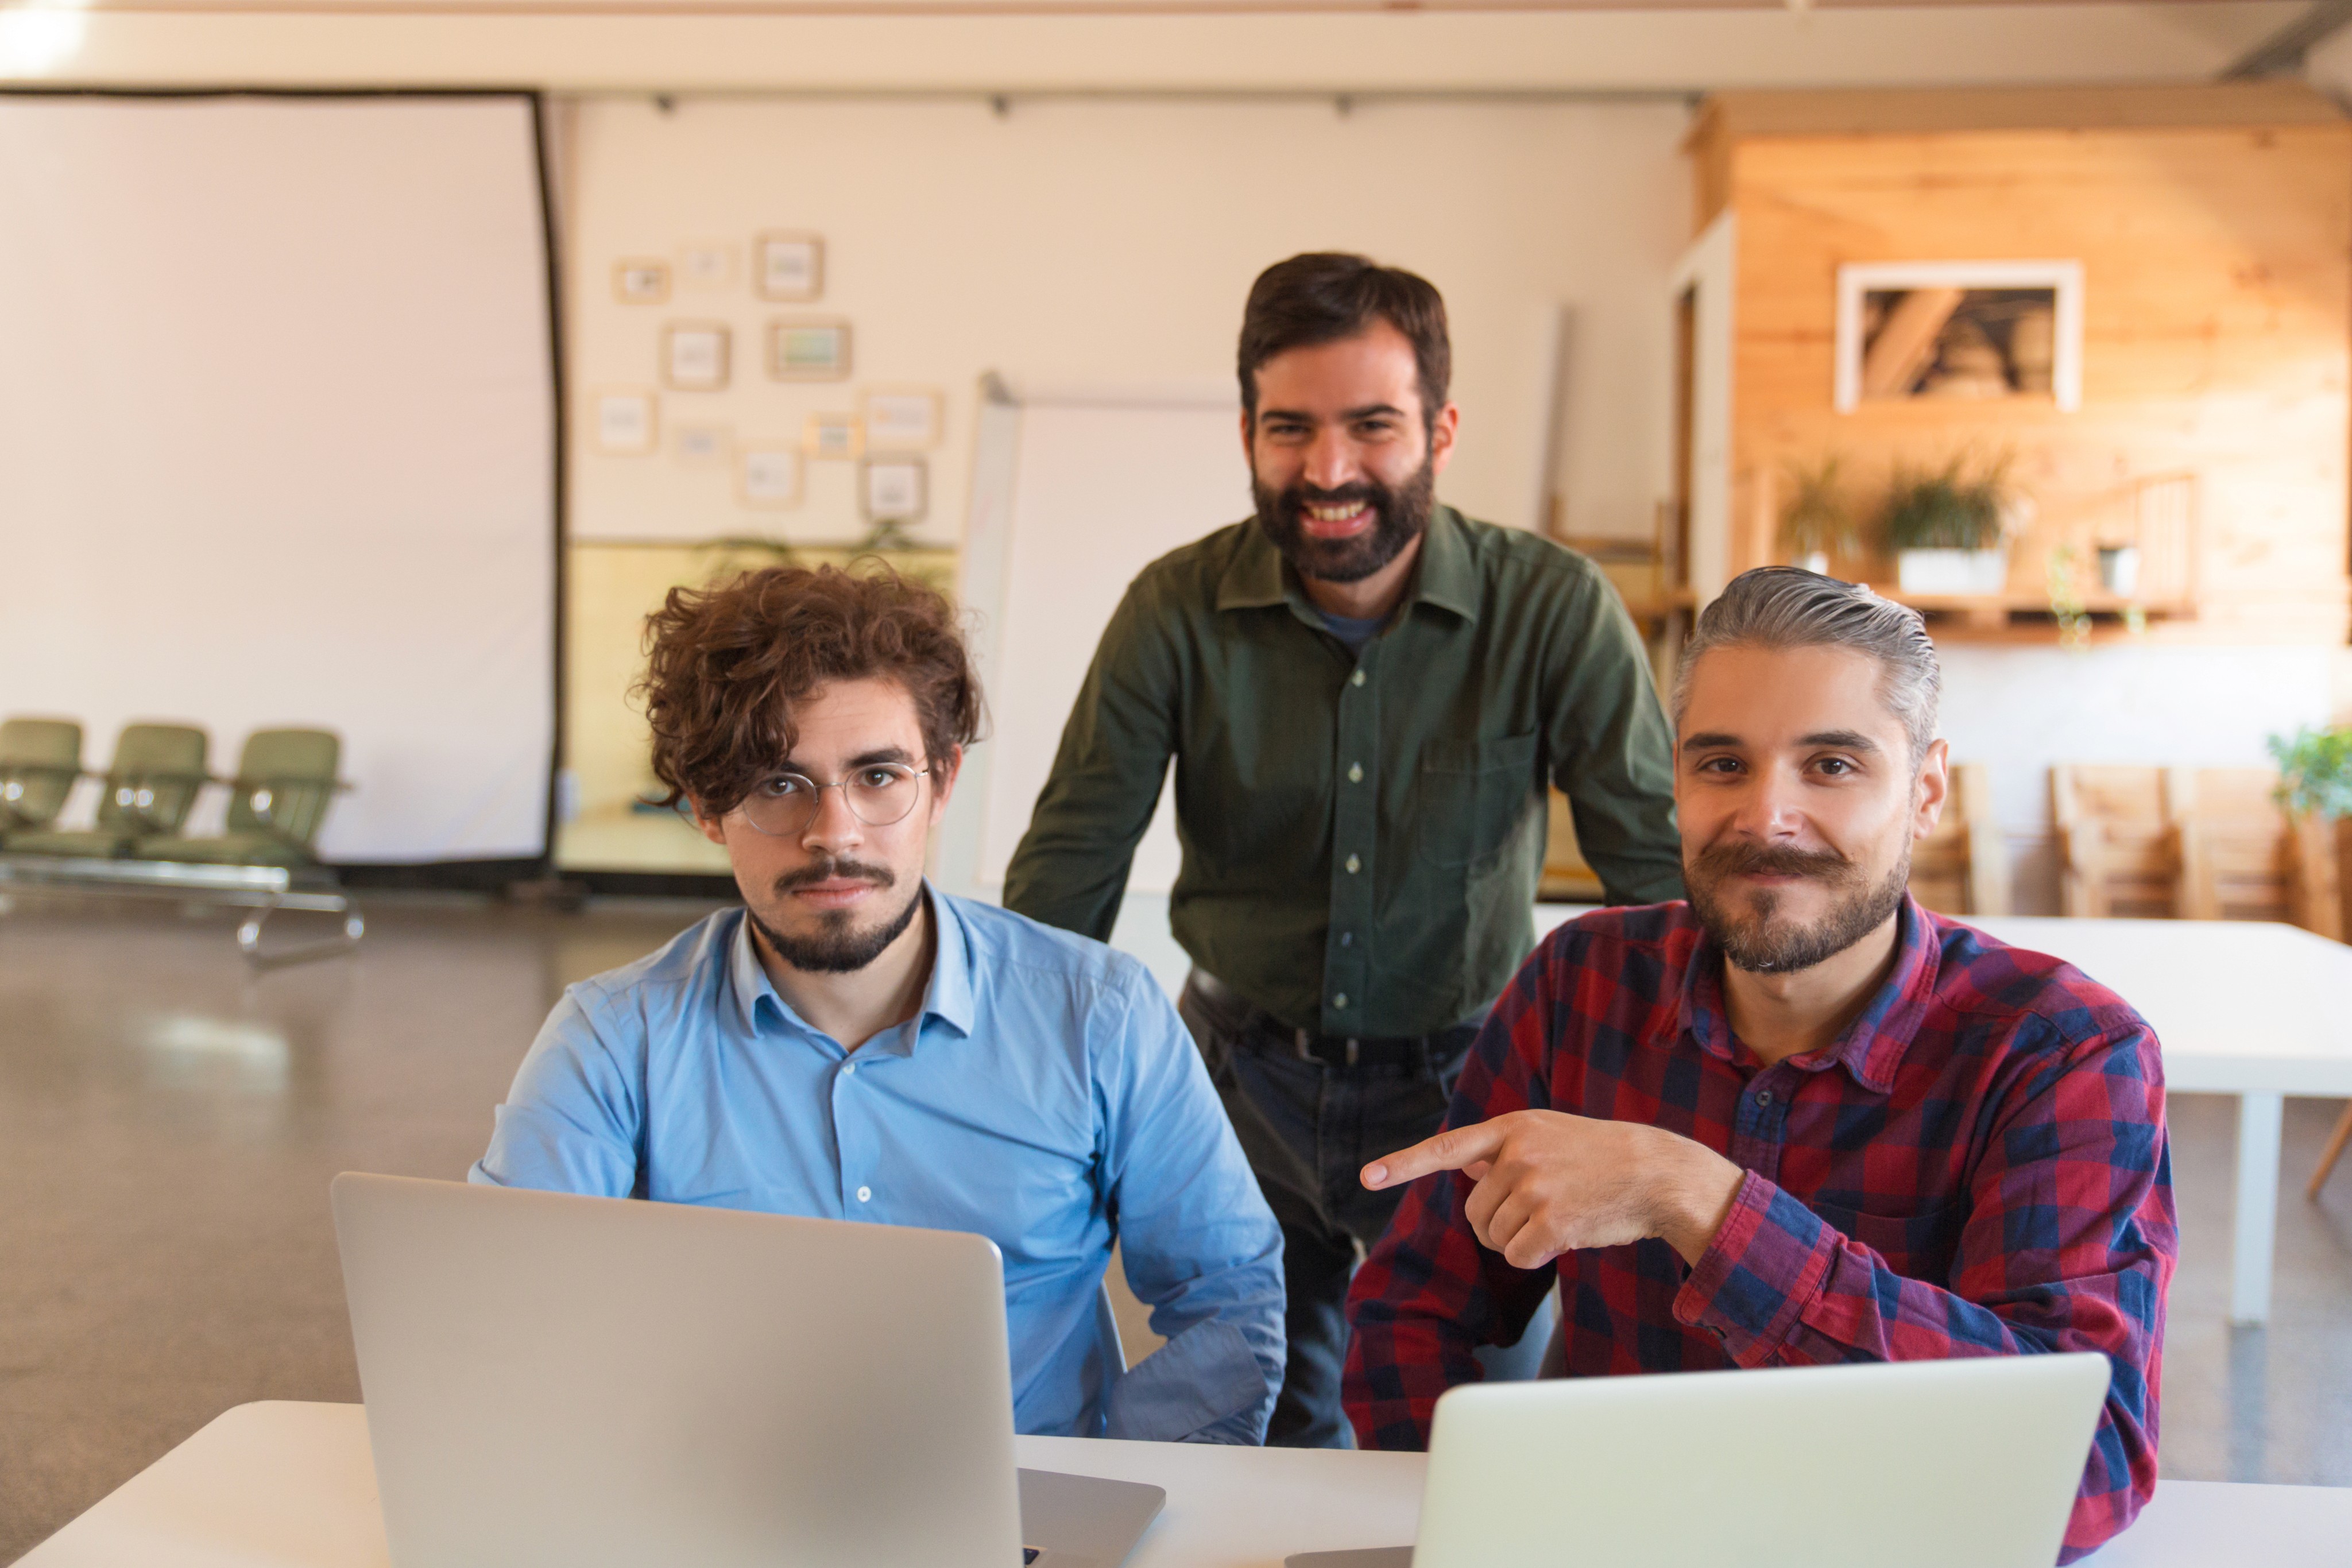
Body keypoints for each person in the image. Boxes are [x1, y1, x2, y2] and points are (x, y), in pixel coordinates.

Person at [1343, 567, 2175, 1561]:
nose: (1767, 816)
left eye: (1831, 765)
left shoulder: (2062, 1052)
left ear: (1926, 791)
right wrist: (1468, 1524)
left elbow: (2086, 1468)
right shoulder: (1582, 981)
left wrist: (1696, 1199)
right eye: (1724, 765)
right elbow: (1411, 1307)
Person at [1004, 252, 1684, 1447]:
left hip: (1466, 1089)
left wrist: (1680, 1115)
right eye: (1290, 428)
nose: (1328, 471)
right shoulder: (1172, 607)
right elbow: (1069, 866)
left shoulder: (1552, 608)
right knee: (1266, 1414)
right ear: (1246, 432)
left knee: (1468, 1434)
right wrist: (1006, 1099)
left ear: (1441, 426)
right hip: (1233, 1085)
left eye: (1371, 425)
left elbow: (1656, 884)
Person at [473, 563, 1285, 1445]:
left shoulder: (1102, 1014)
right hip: (721, 1511)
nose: (835, 833)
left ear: (941, 783)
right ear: (707, 808)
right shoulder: (611, 1038)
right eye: (778, 785)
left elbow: (1229, 1295)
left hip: (1030, 1520)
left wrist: (1119, 1500)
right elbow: (510, 1312)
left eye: (878, 776)